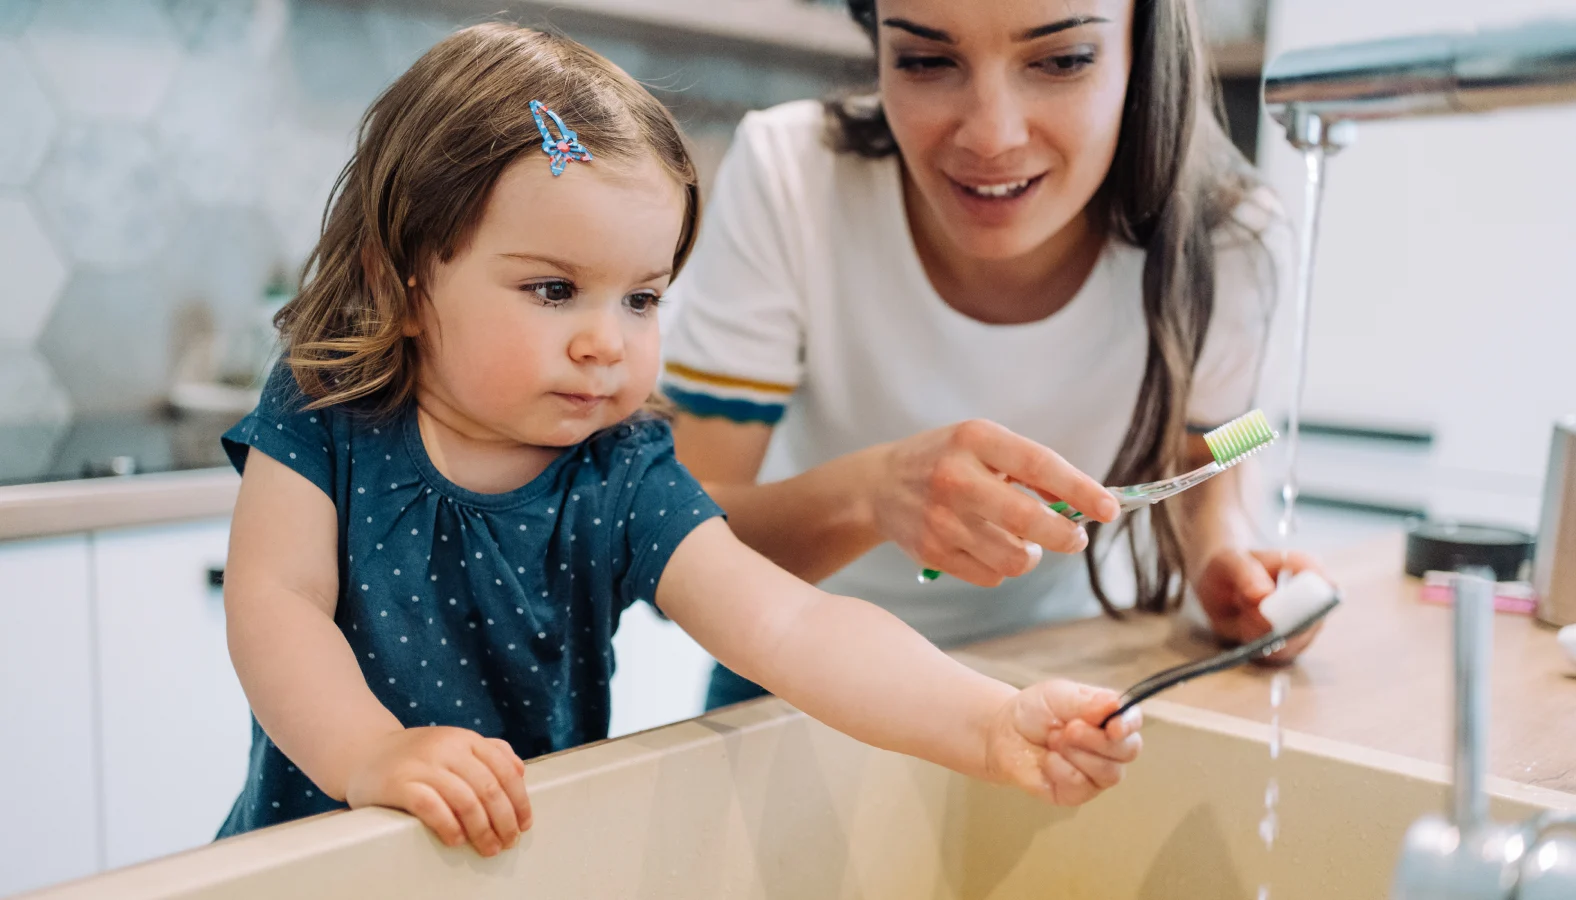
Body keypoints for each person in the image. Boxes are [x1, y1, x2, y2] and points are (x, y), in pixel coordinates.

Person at [215, 22, 1144, 859]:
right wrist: (371, 753)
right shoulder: (327, 404)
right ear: (403, 281)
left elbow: (791, 623)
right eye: (552, 289)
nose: (606, 341)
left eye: (642, 298)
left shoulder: (624, 473)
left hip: (518, 865)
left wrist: (987, 725)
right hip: (305, 860)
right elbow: (277, 604)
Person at [660, 0, 1325, 712]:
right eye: (925, 60)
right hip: (797, 680)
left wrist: (1221, 558)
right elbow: (671, 550)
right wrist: (873, 494)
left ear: (1146, 49)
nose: (991, 136)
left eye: (1063, 60)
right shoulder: (793, 177)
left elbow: (1205, 453)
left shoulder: (1224, 236)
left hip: (1054, 675)